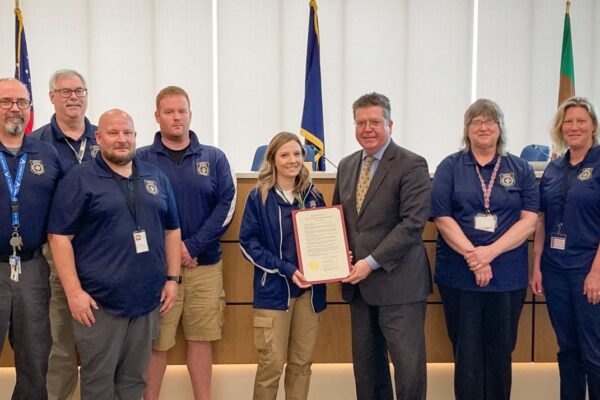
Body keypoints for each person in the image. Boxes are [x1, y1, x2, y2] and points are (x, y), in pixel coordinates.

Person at [47, 109, 182, 400]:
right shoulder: (79, 179)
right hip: (99, 305)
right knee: (99, 384)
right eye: (113, 133)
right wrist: (73, 293)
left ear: (135, 137)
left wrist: (173, 278)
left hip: (148, 302)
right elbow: (59, 238)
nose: (121, 140)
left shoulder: (155, 177)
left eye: (127, 133)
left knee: (134, 382)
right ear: (98, 137)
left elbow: (172, 230)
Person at [431, 99, 539, 400]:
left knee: (500, 353)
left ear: (500, 127)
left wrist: (488, 254)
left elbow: (529, 221)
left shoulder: (520, 168)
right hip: (459, 278)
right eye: (476, 121)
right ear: (467, 129)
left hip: (506, 278)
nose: (483, 126)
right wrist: (474, 258)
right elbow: (442, 218)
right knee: (465, 354)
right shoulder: (450, 166)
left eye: (490, 121)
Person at [332, 92, 431, 400]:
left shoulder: (411, 164)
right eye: (360, 122)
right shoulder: (347, 165)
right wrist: (338, 255)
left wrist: (370, 262)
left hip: (399, 285)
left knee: (407, 369)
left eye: (374, 121)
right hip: (359, 288)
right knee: (367, 370)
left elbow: (412, 225)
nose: (367, 128)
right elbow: (340, 219)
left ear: (390, 123)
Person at [140, 86, 236, 400]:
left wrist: (191, 247)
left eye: (182, 111)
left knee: (201, 338)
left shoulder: (214, 157)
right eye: (169, 112)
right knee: (157, 342)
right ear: (157, 117)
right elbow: (136, 211)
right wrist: (171, 252)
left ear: (190, 114)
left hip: (205, 265)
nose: (176, 117)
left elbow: (226, 206)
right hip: (159, 272)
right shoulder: (141, 159)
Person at [239, 132, 327, 400]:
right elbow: (248, 244)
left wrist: (335, 260)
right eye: (285, 155)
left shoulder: (314, 196)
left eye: (298, 154)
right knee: (271, 365)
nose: (293, 160)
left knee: (301, 365)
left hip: (309, 295)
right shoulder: (259, 197)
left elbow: (324, 238)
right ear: (273, 160)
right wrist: (286, 269)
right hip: (273, 293)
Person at [31, 69, 98, 400]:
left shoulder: (107, 139)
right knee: (60, 345)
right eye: (65, 91)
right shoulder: (36, 144)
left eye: (79, 90)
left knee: (101, 347)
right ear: (51, 97)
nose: (73, 97)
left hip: (103, 257)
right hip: (56, 256)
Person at [530, 96, 600, 400]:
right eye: (568, 121)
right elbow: (543, 220)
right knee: (567, 348)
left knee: (593, 350)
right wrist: (537, 266)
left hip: (589, 268)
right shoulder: (554, 168)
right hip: (555, 268)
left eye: (580, 121)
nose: (574, 127)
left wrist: (597, 271)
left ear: (593, 126)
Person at [0, 78, 63, 399]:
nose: (15, 108)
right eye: (6, 101)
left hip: (34, 268)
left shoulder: (46, 153)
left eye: (22, 102)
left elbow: (66, 212)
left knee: (35, 359)